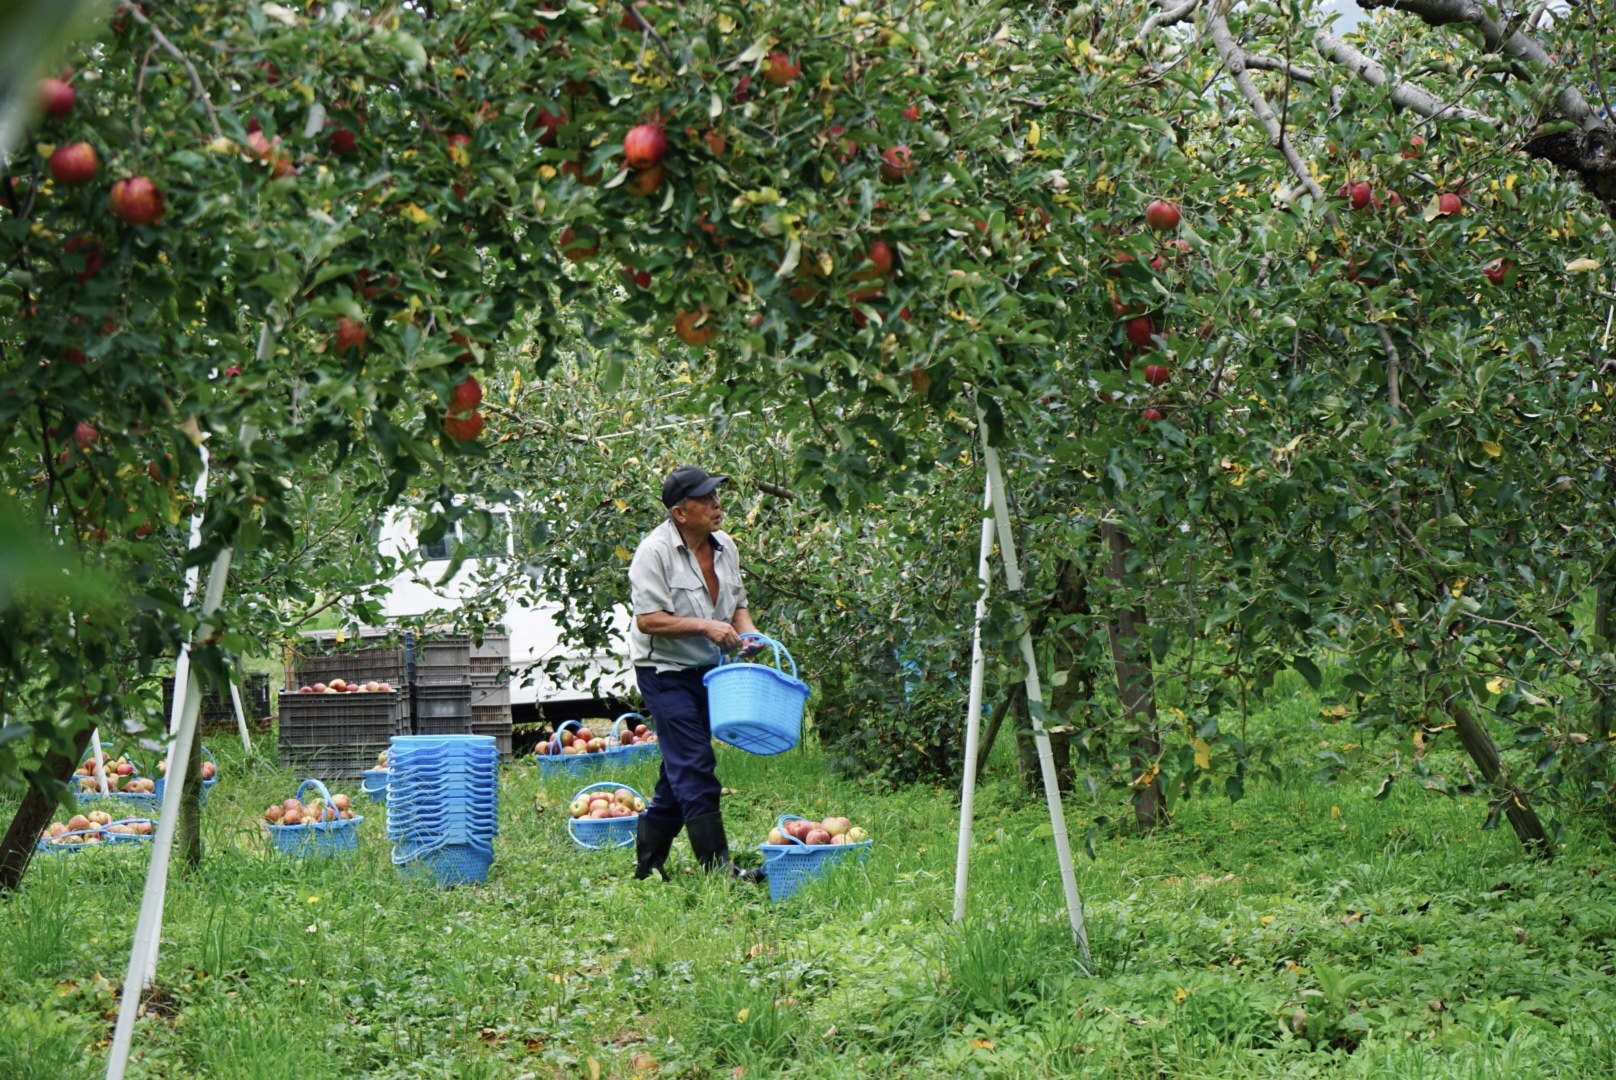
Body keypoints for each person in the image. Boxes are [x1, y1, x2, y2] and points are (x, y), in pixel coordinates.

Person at [627, 465, 765, 883]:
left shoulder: (725, 546)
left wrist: (749, 632)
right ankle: (718, 870)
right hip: (664, 671)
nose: (717, 504)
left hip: (709, 672)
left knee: (679, 768)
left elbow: (737, 602)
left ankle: (648, 865)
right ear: (679, 512)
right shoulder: (654, 552)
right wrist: (707, 626)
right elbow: (649, 620)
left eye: (716, 496)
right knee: (694, 762)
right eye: (705, 499)